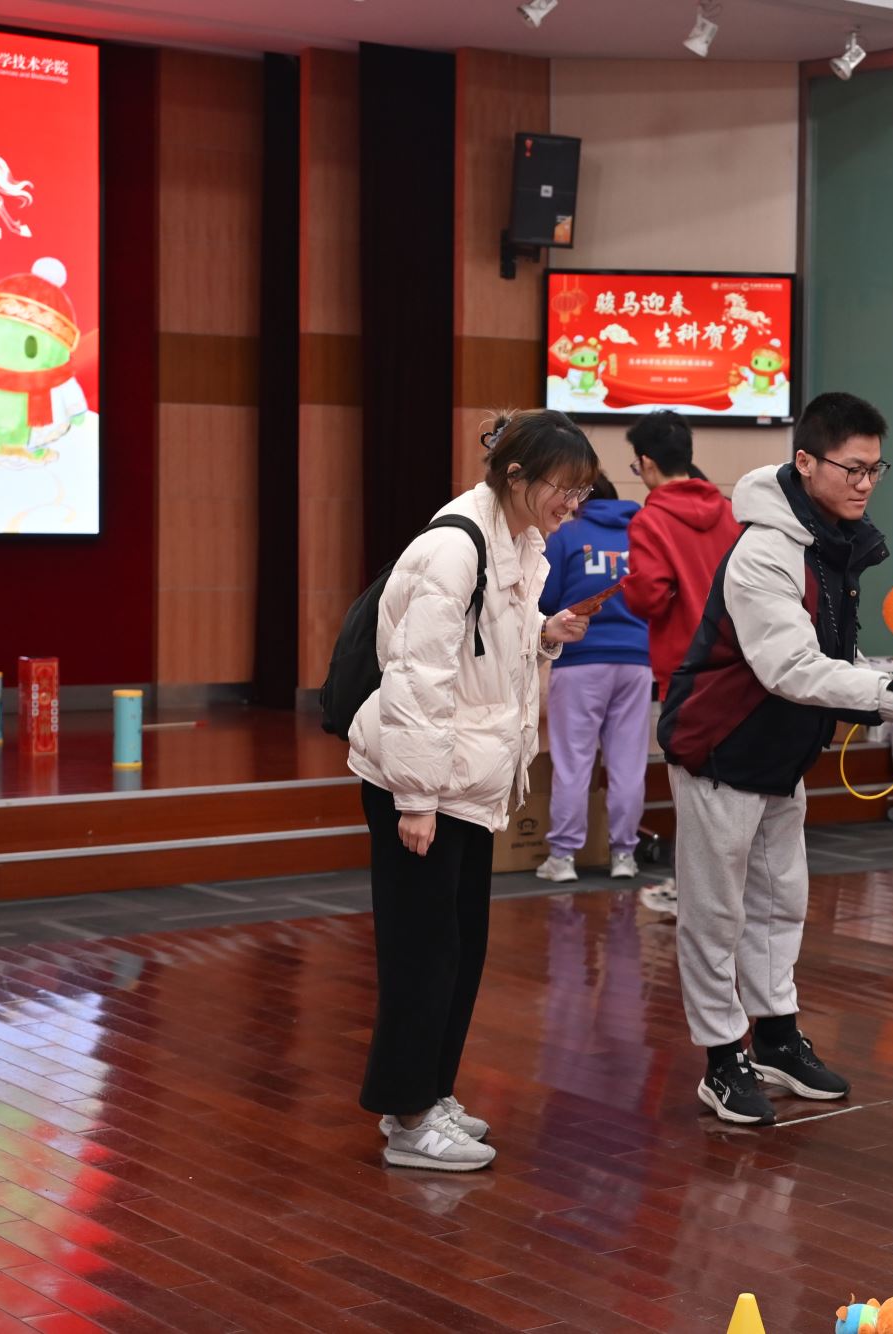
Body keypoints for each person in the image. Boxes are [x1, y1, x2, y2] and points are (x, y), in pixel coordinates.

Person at [657, 391, 893, 1125]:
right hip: (720, 748)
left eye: (875, 469)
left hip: (783, 752)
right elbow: (789, 668)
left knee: (780, 903)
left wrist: (887, 686)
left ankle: (775, 1037)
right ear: (805, 461)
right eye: (851, 469)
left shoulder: (829, 542)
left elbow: (831, 653)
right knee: (715, 913)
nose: (865, 483)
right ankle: (721, 1058)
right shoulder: (766, 550)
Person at [348, 409, 596, 1170]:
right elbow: (417, 677)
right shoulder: (454, 548)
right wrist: (416, 798)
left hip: (466, 776)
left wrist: (544, 634)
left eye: (582, 491)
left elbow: (482, 651)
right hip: (423, 780)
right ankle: (408, 1116)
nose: (572, 505)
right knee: (422, 955)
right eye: (563, 488)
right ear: (516, 477)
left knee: (459, 947)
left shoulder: (518, 542)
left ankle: (432, 1091)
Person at [534, 471, 652, 884]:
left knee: (573, 761)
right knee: (628, 763)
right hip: (637, 660)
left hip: (580, 660)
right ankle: (624, 855)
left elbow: (545, 598)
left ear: (580, 499)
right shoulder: (641, 536)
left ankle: (563, 857)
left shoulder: (567, 536)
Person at [624, 410, 739, 697]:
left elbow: (648, 598)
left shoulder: (650, 521)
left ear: (647, 462)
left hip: (684, 668)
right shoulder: (731, 512)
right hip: (737, 664)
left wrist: (630, 584)